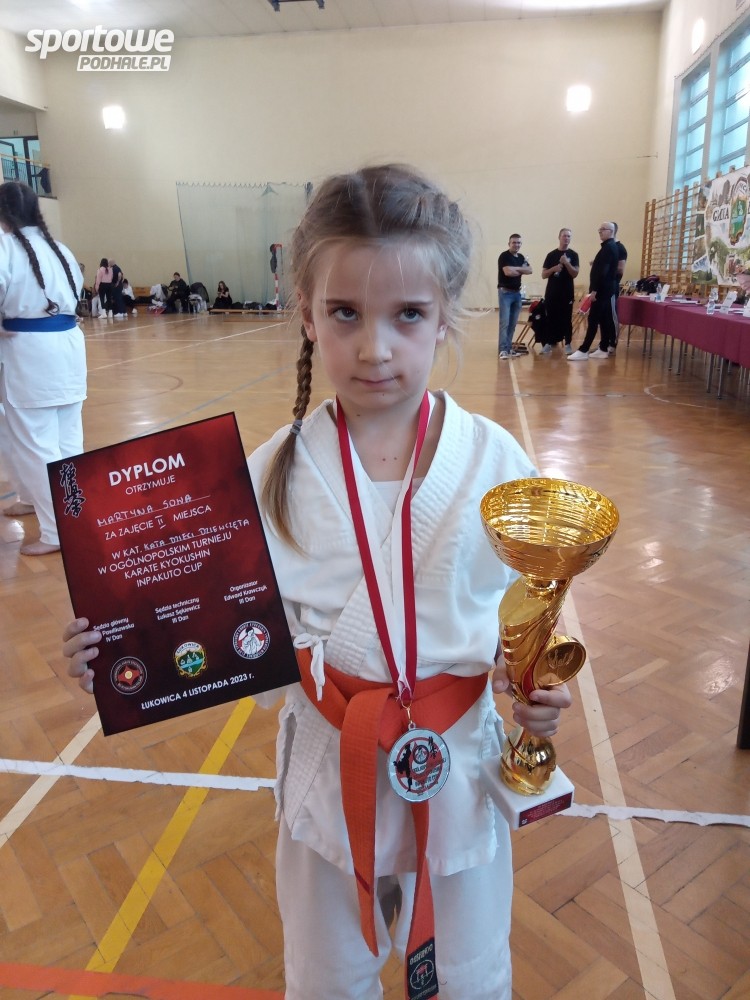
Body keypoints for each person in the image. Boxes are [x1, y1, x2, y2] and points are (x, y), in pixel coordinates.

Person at [62, 164, 571, 999]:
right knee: (328, 977)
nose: (374, 348)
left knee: (471, 977)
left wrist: (533, 685)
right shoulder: (267, 474)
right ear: (305, 311)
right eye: (345, 313)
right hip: (331, 765)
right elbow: (219, 630)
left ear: (447, 313)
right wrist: (119, 646)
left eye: (407, 315)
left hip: (458, 761)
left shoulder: (496, 462)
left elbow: (526, 614)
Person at [0, 180, 85, 555]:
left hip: (29, 354)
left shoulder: (6, 247)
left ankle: (55, 533)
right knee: (67, 442)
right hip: (68, 350)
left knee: (36, 446)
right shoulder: (60, 248)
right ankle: (69, 515)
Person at [568, 222, 620, 360]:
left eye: (603, 229)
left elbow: (603, 271)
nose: (600, 231)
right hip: (604, 289)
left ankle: (584, 350)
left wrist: (595, 290)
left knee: (593, 319)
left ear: (611, 231)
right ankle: (603, 348)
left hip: (602, 290)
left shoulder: (609, 247)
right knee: (603, 319)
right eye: (599, 229)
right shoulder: (608, 247)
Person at [540, 228, 580, 354]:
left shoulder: (573, 255)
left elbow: (575, 274)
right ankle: (548, 343)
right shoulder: (551, 255)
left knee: (566, 319)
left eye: (569, 236)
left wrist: (567, 263)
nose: (566, 238)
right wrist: (554, 269)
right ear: (559, 237)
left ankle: (568, 344)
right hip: (552, 292)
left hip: (566, 293)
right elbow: (543, 274)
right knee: (550, 318)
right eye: (564, 236)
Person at [497, 233, 532, 359]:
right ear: (509, 244)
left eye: (518, 243)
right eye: (514, 242)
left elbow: (530, 270)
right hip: (505, 293)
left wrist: (515, 270)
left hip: (517, 294)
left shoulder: (521, 257)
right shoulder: (504, 256)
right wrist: (521, 269)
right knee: (505, 323)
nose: (516, 245)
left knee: (512, 324)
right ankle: (502, 350)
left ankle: (509, 348)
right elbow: (507, 272)